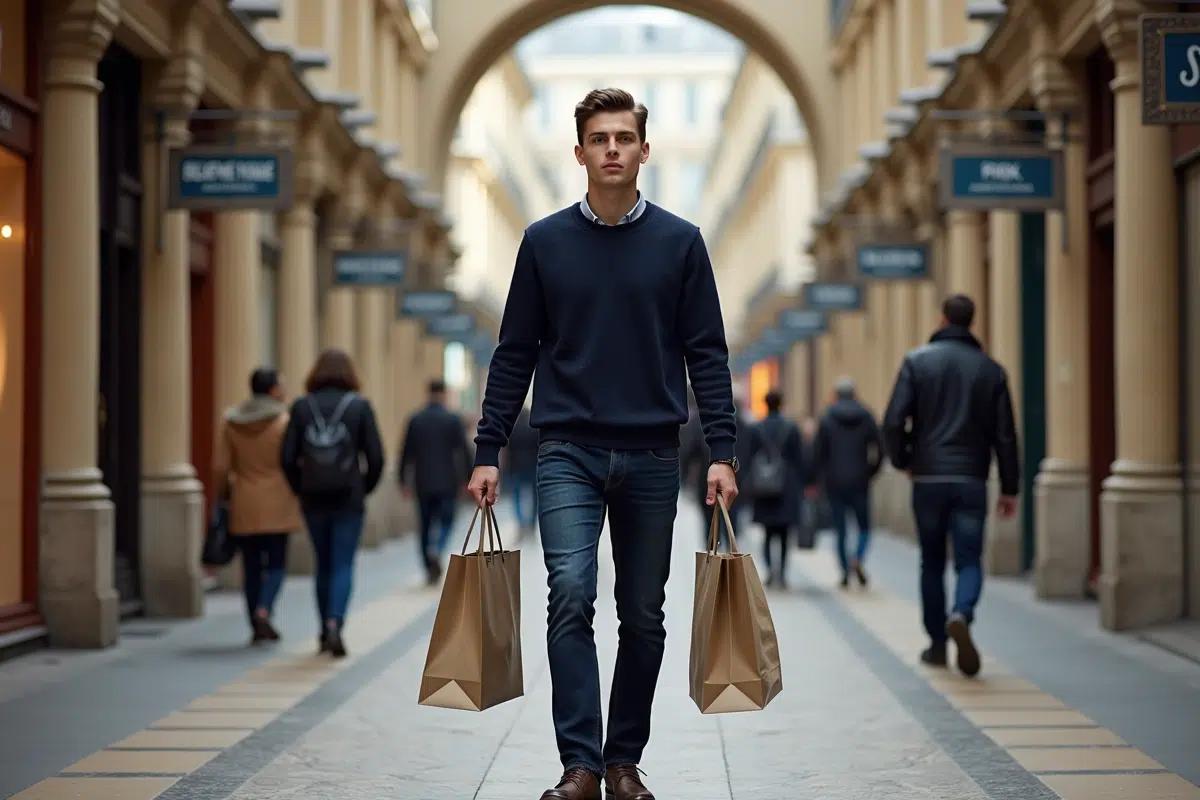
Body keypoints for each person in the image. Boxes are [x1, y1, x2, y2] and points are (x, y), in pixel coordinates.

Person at [467, 88, 738, 800]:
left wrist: (722, 452)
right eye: (600, 137)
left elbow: (706, 352)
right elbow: (514, 350)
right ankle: (580, 766)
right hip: (566, 451)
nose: (612, 148)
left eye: (625, 137)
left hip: (652, 454)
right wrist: (488, 448)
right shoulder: (544, 242)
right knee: (571, 595)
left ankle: (624, 762)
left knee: (644, 612)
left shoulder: (681, 243)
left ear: (644, 150)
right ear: (580, 150)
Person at [882, 294, 1020, 678]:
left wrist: (905, 460)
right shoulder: (992, 371)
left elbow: (893, 421)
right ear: (972, 322)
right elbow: (1005, 436)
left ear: (942, 319)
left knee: (931, 561)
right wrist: (1010, 486)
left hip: (927, 478)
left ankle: (938, 645)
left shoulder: (916, 361)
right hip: (972, 479)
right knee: (969, 560)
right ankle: (961, 612)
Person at [281, 349, 385, 658]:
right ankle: (334, 623)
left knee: (322, 564)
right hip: (348, 498)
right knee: (342, 563)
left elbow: (287, 457)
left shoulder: (301, 407)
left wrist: (300, 488)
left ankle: (323, 628)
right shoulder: (360, 407)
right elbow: (376, 457)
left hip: (313, 497)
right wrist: (363, 488)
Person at [213, 367, 303, 644]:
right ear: (274, 390)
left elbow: (220, 467)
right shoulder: (285, 422)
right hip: (279, 500)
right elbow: (294, 462)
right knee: (276, 563)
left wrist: (223, 496)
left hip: (244, 499)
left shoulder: (231, 422)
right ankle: (265, 609)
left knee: (251, 566)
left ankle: (255, 622)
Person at [811, 377, 884, 588]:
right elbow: (880, 449)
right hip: (860, 480)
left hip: (835, 483)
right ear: (855, 394)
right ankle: (858, 558)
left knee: (841, 529)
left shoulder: (827, 419)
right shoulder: (867, 416)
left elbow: (818, 452)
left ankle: (844, 570)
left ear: (836, 394)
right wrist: (870, 472)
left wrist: (819, 477)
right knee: (864, 527)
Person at [398, 379, 472, 583]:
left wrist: (403, 481)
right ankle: (437, 547)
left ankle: (428, 562)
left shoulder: (416, 419)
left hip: (422, 482)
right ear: (444, 394)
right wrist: (467, 478)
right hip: (448, 481)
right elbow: (463, 451)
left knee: (424, 524)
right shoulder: (452, 419)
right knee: (447, 520)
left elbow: (405, 453)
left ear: (427, 393)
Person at [746, 389, 805, 588]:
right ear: (781, 403)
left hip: (764, 486)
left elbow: (749, 456)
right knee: (785, 534)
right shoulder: (791, 427)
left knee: (768, 533)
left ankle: (771, 571)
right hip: (787, 485)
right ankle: (783, 573)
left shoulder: (757, 428)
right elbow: (800, 458)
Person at [505, 405, 540, 538]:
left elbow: (507, 449)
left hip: (516, 466)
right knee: (535, 497)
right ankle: (531, 524)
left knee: (517, 496)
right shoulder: (535, 427)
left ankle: (521, 523)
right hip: (533, 465)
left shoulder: (513, 427)